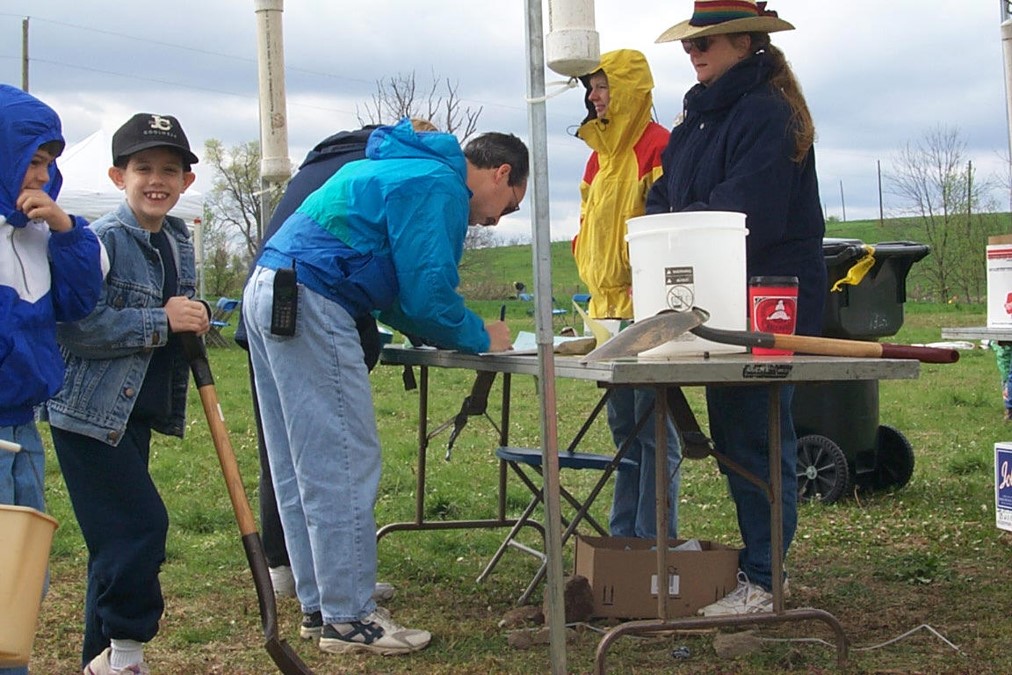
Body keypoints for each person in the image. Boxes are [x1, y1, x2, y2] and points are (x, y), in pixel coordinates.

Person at [243, 117, 525, 656]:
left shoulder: (406, 166)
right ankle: (350, 620)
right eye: (508, 206)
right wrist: (480, 334)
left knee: (297, 462)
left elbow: (397, 287)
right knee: (342, 458)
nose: (494, 221)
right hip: (312, 294)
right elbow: (426, 297)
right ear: (500, 173)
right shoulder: (440, 184)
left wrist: (439, 325)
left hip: (273, 288)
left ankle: (322, 602)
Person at [647, 0, 827, 616]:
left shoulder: (769, 113)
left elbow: (748, 207)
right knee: (734, 433)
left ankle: (764, 580)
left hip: (767, 300)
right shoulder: (693, 121)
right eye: (691, 45)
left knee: (754, 436)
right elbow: (660, 195)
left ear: (747, 42)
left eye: (709, 43)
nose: (694, 52)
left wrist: (675, 226)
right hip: (714, 296)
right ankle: (757, 569)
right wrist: (666, 228)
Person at [233, 119, 437, 601]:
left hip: (268, 299)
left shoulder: (335, 160)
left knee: (291, 453)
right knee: (336, 458)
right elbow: (374, 265)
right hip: (304, 302)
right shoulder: (386, 170)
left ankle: (317, 592)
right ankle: (344, 607)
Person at [46, 112, 209, 674]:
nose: (156, 180)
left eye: (169, 169)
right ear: (119, 177)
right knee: (141, 528)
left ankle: (99, 661)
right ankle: (127, 656)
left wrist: (195, 315)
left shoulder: (178, 239)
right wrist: (162, 321)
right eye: (143, 168)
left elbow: (176, 306)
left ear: (187, 181)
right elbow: (77, 326)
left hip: (132, 414)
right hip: (88, 414)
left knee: (111, 545)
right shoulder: (101, 241)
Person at [0, 85, 106, 675]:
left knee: (20, 574)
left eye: (48, 162)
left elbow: (78, 301)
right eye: (30, 160)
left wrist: (68, 233)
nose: (41, 174)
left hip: (25, 428)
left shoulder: (41, 233)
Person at [570, 49, 682, 540]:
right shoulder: (597, 157)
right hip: (605, 313)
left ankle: (655, 545)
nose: (593, 96)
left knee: (657, 436)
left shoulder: (661, 147)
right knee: (624, 435)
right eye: (591, 88)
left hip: (645, 312)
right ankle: (624, 543)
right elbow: (585, 226)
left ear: (629, 90)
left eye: (602, 85)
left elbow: (670, 229)